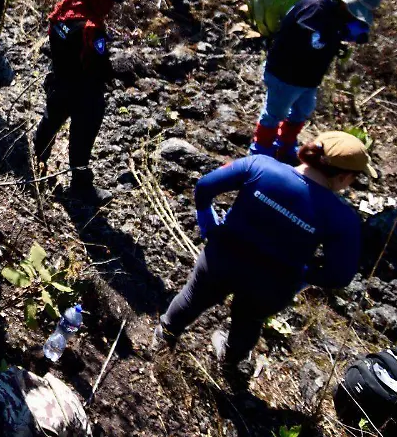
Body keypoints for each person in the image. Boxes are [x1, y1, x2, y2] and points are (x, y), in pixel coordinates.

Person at [155, 131, 372, 388]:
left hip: (221, 258)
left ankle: (164, 338)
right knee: (249, 320)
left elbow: (204, 186)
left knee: (193, 297)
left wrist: (206, 220)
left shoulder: (260, 166)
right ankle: (229, 362)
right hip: (272, 285)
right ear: (344, 176)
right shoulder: (343, 218)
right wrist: (302, 273)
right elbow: (340, 275)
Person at [249, 0, 381, 163]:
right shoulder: (316, 7)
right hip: (285, 73)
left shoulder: (339, 13)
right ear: (345, 1)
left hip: (309, 77)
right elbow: (312, 43)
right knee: (275, 113)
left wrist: (346, 33)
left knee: (301, 111)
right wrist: (340, 32)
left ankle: (285, 145)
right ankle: (260, 150)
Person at [33, 0, 126, 205]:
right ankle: (81, 186)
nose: (111, 6)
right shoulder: (91, 29)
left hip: (60, 82)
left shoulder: (63, 13)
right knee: (82, 139)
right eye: (109, 1)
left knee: (50, 122)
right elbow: (99, 63)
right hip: (85, 91)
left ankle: (36, 164)